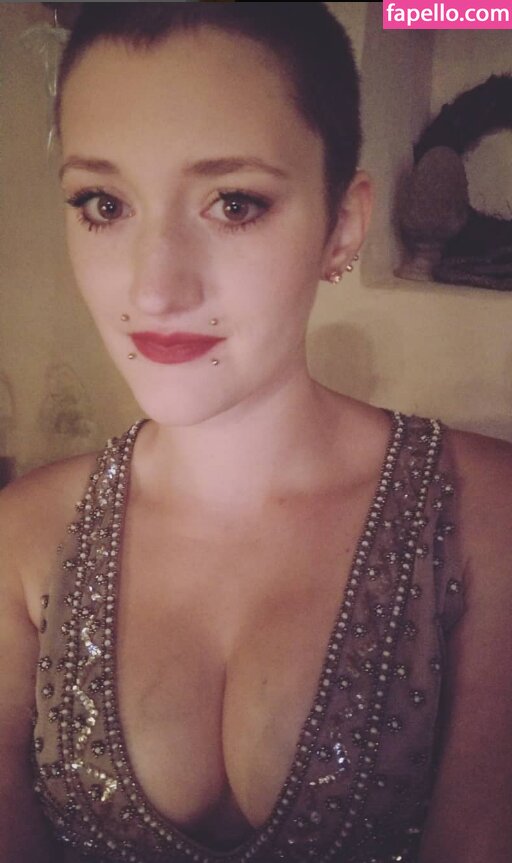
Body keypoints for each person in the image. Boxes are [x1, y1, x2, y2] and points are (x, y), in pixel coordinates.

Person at [1, 4, 511, 862]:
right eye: (103, 202)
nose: (155, 289)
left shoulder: (485, 513)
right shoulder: (22, 538)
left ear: (342, 225)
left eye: (233, 203)